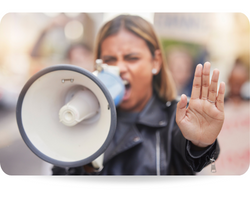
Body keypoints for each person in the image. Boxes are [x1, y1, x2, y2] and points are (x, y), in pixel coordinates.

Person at [52, 14, 225, 175]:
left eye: (132, 58)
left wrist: (199, 144)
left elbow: (195, 152)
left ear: (155, 62)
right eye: (110, 60)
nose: (119, 68)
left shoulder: (176, 118)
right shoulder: (84, 118)